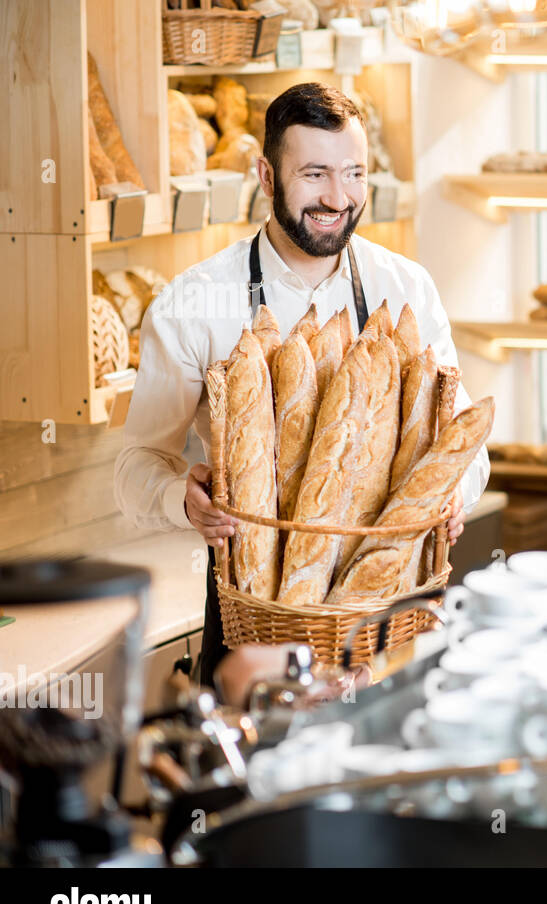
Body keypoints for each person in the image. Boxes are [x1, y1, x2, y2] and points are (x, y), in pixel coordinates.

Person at [114, 82, 489, 690]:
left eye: (354, 174)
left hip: (387, 614)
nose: (337, 197)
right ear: (266, 175)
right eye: (315, 174)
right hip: (254, 616)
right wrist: (183, 498)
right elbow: (133, 467)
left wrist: (453, 494)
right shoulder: (195, 301)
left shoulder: (407, 289)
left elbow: (467, 445)